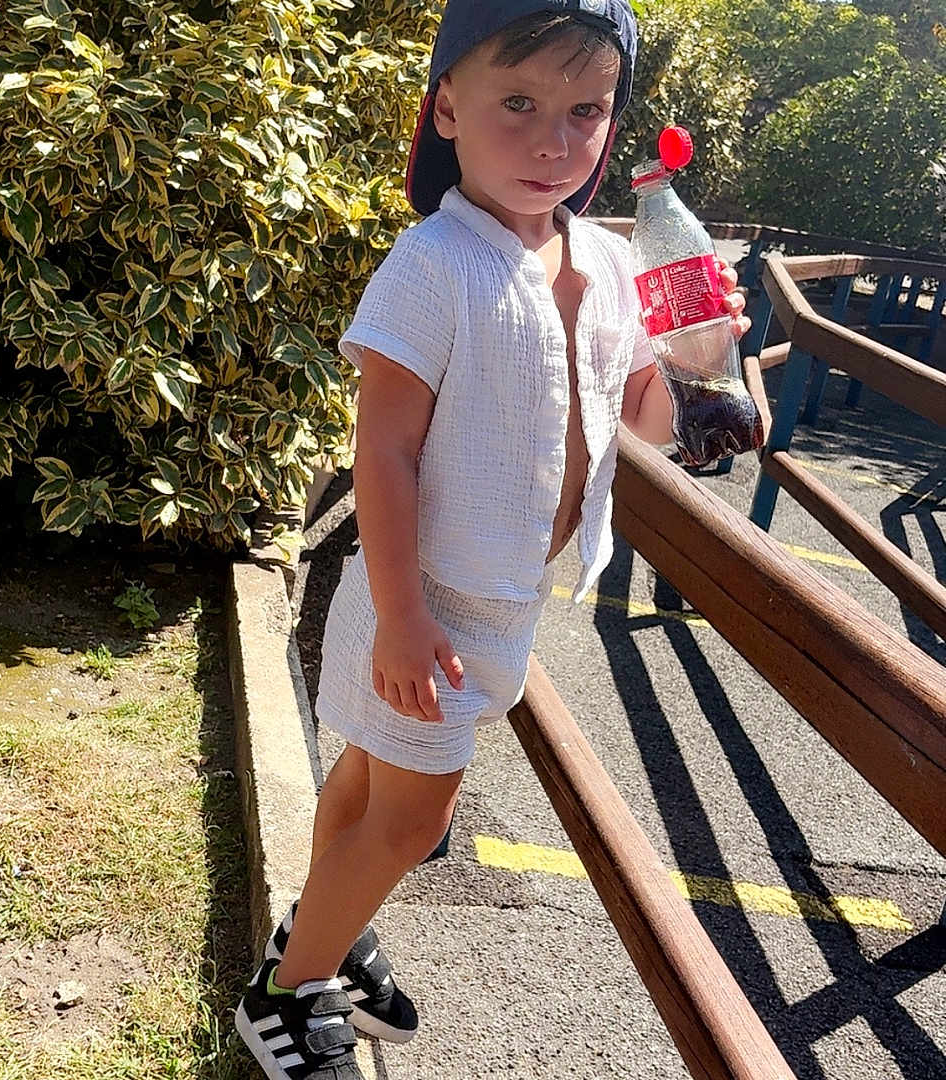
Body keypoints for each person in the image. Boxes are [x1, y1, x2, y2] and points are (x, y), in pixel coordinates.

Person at [235, 3, 762, 1077]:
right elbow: (380, 450)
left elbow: (638, 406)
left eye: (586, 112)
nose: (553, 142)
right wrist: (401, 615)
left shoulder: (609, 261)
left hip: (495, 605)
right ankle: (284, 998)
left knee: (367, 787)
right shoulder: (436, 264)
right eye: (517, 103)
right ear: (447, 109)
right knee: (411, 821)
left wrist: (709, 365)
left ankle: (319, 936)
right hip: (421, 608)